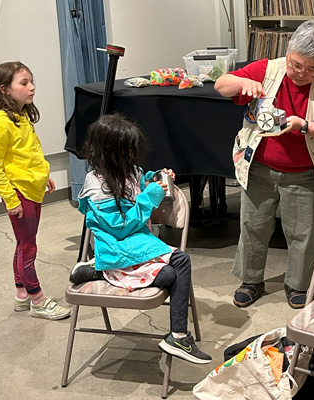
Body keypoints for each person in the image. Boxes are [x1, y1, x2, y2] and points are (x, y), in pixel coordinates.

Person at [214, 21, 314, 309]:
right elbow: (221, 85)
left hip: (304, 174)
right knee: (253, 226)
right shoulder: (268, 68)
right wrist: (242, 82)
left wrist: (304, 126)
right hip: (260, 167)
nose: (302, 73)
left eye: (312, 68)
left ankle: (299, 284)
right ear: (288, 52)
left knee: (304, 233)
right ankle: (250, 280)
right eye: (296, 64)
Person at [72, 113, 212, 364]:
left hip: (136, 247)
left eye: (132, 150)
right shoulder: (97, 185)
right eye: (126, 150)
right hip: (119, 248)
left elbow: (139, 180)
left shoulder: (129, 170)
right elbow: (121, 228)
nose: (131, 155)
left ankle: (98, 270)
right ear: (108, 151)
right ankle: (178, 335)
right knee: (181, 261)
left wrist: (157, 177)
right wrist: (150, 196)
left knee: (170, 276)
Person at [0, 61, 70, 320]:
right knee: (29, 248)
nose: (32, 88)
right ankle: (38, 301)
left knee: (23, 244)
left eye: (31, 81)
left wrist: (42, 176)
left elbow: (27, 153)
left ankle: (21, 296)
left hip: (31, 187)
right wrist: (10, 199)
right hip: (19, 194)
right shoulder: (1, 123)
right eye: (24, 83)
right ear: (4, 89)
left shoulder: (20, 116)